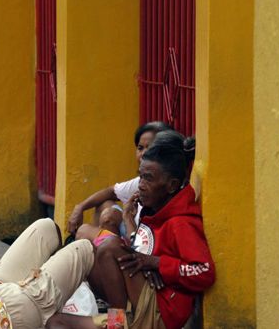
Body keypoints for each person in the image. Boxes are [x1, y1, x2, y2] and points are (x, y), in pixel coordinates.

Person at [49, 131, 215, 329]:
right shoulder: (154, 207)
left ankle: (116, 323)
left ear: (171, 185)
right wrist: (129, 221)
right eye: (141, 177)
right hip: (139, 300)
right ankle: (116, 321)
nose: (141, 186)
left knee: (109, 246)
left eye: (148, 179)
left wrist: (158, 263)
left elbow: (204, 272)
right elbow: (142, 250)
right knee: (55, 321)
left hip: (160, 312)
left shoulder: (181, 222)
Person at [67, 121, 172, 235]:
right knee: (105, 206)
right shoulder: (141, 182)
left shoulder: (164, 187)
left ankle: (104, 247)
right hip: (131, 240)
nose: (143, 154)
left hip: (138, 247)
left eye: (150, 148)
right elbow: (112, 191)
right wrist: (80, 207)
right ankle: (103, 245)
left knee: (84, 231)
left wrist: (127, 218)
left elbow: (142, 245)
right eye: (140, 148)